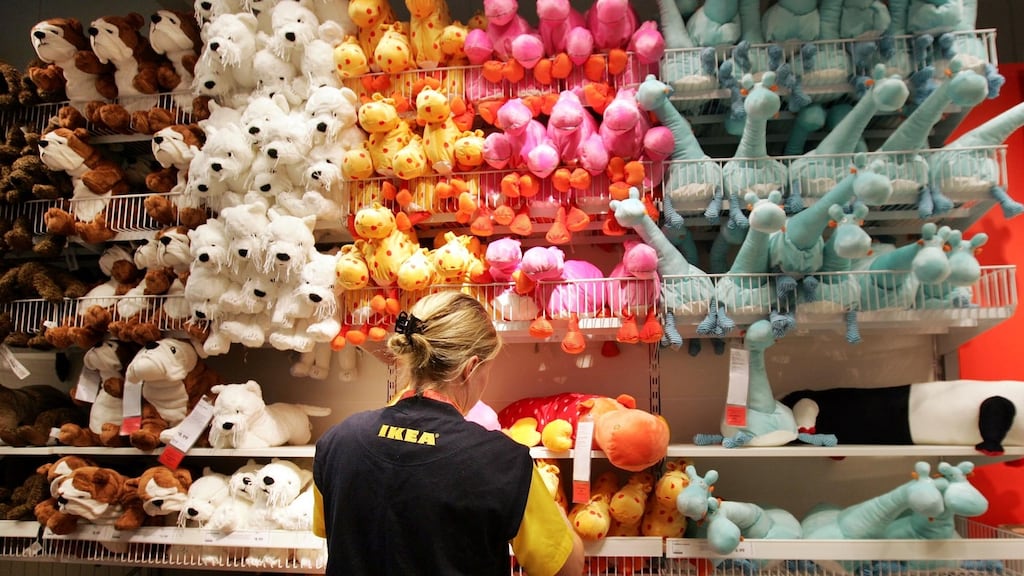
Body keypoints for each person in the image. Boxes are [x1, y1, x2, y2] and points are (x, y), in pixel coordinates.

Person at [313, 290, 584, 576]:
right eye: (486, 371)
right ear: (470, 369)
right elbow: (565, 568)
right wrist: (555, 507)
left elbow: (330, 532)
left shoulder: (337, 441)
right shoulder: (503, 462)